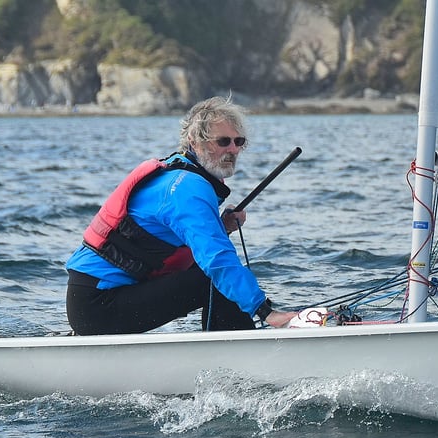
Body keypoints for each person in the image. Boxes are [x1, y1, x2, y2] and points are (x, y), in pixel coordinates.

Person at [65, 96, 297, 335]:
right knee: (214, 278)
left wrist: (221, 226)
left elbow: (172, 237)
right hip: (97, 306)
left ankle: (230, 343)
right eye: (223, 141)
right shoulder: (187, 188)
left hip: (102, 298)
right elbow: (216, 258)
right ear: (195, 142)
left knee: (215, 276)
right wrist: (266, 313)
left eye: (239, 141)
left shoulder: (184, 177)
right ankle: (236, 354)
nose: (233, 150)